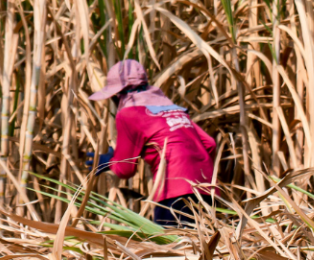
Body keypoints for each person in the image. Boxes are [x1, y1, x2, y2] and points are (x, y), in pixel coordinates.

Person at [88, 59, 219, 227]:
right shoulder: (173, 109)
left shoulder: (128, 114)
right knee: (206, 247)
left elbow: (125, 169)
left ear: (117, 95)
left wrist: (108, 162)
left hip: (173, 192)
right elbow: (209, 144)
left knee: (172, 250)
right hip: (207, 189)